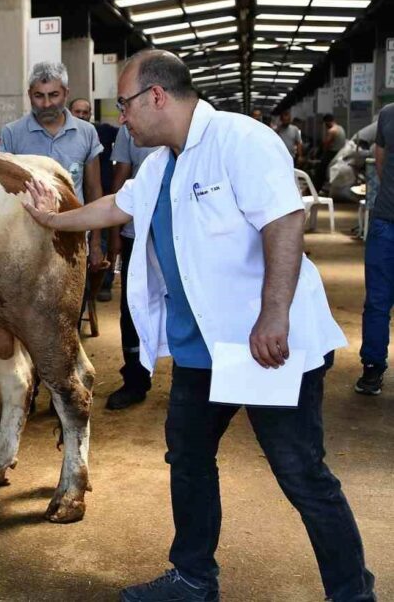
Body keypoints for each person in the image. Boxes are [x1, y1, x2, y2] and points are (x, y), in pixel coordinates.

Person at [20, 49, 374, 602]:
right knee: (188, 459)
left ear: (157, 96)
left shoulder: (240, 140)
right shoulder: (162, 162)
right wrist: (52, 219)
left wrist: (273, 313)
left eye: (126, 105)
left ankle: (352, 593)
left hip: (264, 344)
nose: (122, 118)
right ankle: (193, 578)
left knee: (300, 472)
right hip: (201, 351)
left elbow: (284, 222)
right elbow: (117, 206)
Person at [0, 61, 106, 272]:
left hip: (74, 236)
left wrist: (95, 242)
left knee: (73, 292)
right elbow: (2, 194)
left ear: (66, 93)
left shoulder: (86, 132)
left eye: (54, 95)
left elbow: (94, 189)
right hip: (25, 240)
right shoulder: (11, 133)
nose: (46, 104)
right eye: (39, 96)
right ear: (29, 95)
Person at [104, 123, 161, 410]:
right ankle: (135, 380)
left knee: (186, 303)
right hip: (136, 233)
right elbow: (121, 179)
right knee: (133, 305)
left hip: (182, 235)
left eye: (126, 104)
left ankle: (192, 382)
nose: (123, 114)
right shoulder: (129, 129)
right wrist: (115, 233)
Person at [356, 103, 394, 396]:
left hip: (386, 220)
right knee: (377, 302)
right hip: (386, 221)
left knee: (378, 302)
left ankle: (372, 370)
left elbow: (380, 163)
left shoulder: (389, 114)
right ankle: (371, 366)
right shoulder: (388, 114)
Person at [70, 96, 119, 301]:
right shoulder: (67, 136)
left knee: (101, 241)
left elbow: (125, 134)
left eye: (85, 112)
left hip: (102, 196)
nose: (82, 115)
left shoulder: (103, 131)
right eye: (78, 112)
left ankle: (103, 284)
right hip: (74, 201)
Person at [321, 113, 347, 185]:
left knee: (320, 170)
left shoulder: (332, 131)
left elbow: (326, 144)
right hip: (341, 153)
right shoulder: (341, 128)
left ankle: (315, 187)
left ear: (326, 122)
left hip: (333, 153)